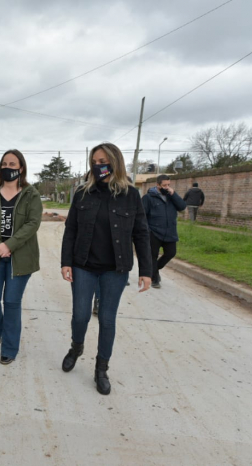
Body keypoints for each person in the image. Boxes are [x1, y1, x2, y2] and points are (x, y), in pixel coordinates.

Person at [61, 143, 152, 395]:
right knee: (80, 315)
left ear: (115, 162)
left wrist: (147, 270)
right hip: (83, 266)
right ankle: (76, 347)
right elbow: (71, 230)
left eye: (103, 160)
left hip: (115, 269)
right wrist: (65, 262)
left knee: (107, 319)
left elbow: (141, 233)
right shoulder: (82, 193)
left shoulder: (131, 195)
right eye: (94, 161)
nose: (98, 165)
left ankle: (101, 368)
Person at [0, 150, 42, 365]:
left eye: (12, 164)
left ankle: (9, 348)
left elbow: (33, 223)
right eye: (4, 163)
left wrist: (10, 245)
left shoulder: (31, 193)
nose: (8, 167)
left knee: (12, 302)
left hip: (20, 256)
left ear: (21, 168)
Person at [142, 174, 187, 289]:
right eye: (164, 185)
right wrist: (147, 230)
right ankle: (155, 278)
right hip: (154, 231)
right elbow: (142, 215)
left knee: (171, 253)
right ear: (157, 185)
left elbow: (182, 206)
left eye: (168, 185)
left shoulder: (172, 197)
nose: (166, 187)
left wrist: (174, 194)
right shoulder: (149, 198)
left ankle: (154, 270)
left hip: (170, 231)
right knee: (153, 255)